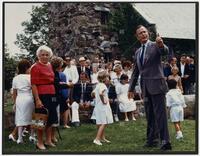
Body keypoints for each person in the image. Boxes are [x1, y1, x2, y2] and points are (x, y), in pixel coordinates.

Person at [128, 25, 172, 150]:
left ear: (148, 33)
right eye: (140, 33)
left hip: (157, 86)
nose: (143, 34)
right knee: (150, 115)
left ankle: (165, 141)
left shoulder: (155, 45)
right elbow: (136, 72)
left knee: (161, 115)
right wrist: (131, 89)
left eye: (145, 32)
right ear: (137, 36)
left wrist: (161, 44)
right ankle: (152, 140)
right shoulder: (137, 52)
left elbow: (164, 52)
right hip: (145, 88)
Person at [31, 45, 57, 150]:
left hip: (52, 94)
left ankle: (48, 140)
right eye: (42, 55)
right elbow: (33, 84)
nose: (45, 57)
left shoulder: (50, 65)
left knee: (51, 118)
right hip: (41, 95)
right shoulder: (35, 67)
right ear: (38, 56)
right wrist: (37, 99)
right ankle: (39, 142)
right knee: (40, 120)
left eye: (47, 55)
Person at [11, 59, 35, 144]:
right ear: (26, 68)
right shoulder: (30, 77)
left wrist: (14, 102)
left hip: (19, 99)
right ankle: (32, 136)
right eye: (29, 67)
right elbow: (33, 89)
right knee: (32, 117)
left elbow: (14, 92)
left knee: (20, 118)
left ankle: (20, 138)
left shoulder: (15, 78)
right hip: (29, 98)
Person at [93, 71, 113, 145]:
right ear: (104, 78)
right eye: (107, 77)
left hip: (98, 106)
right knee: (103, 123)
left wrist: (97, 98)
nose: (108, 78)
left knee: (100, 122)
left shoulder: (98, 85)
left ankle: (102, 138)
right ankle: (97, 139)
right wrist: (103, 101)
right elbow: (101, 93)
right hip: (103, 106)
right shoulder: (103, 86)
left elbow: (93, 93)